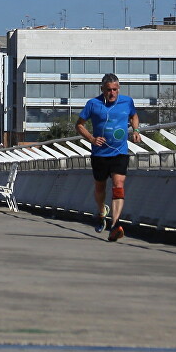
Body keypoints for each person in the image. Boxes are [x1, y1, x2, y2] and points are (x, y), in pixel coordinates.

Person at [77, 73, 143, 242]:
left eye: (115, 89)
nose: (112, 93)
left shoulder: (127, 101)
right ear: (102, 90)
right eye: (108, 90)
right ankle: (101, 212)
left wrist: (135, 131)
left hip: (119, 152)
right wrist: (92, 139)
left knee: (118, 185)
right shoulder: (93, 104)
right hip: (99, 154)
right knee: (100, 188)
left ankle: (115, 225)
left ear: (118, 88)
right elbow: (79, 125)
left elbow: (134, 116)